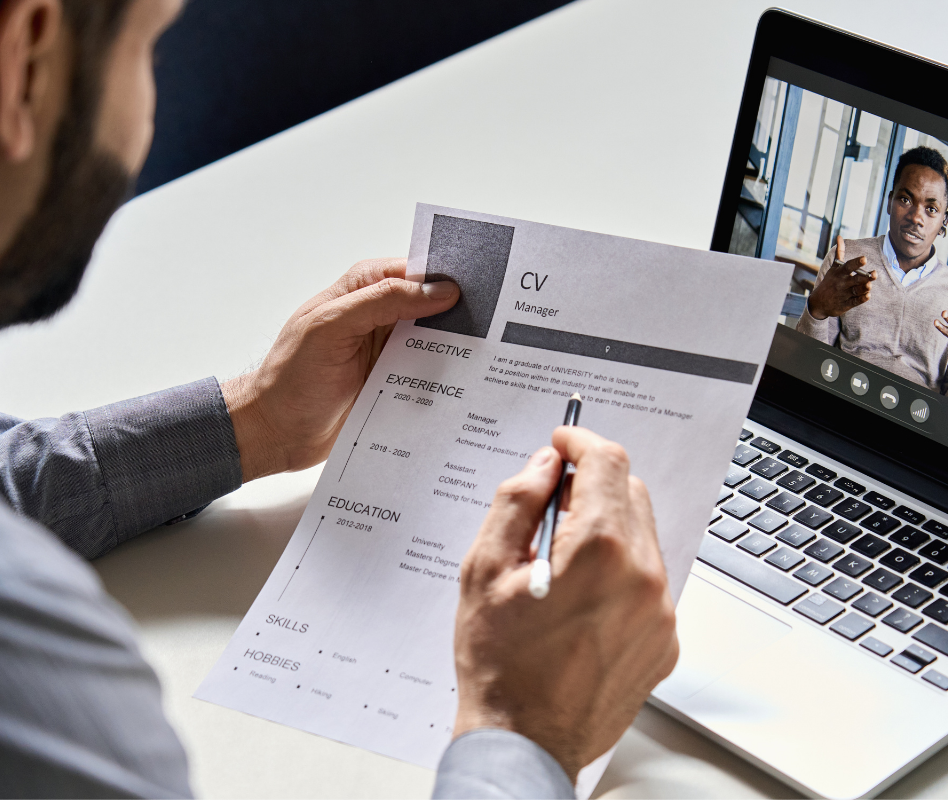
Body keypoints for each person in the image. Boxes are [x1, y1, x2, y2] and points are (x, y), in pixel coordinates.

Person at [0, 1, 679, 797]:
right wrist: (522, 730)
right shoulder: (38, 683)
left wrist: (255, 421)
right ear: (27, 53)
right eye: (149, 50)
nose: (147, 112)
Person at [796, 146, 948, 400]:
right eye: (906, 200)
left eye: (931, 209)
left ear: (944, 221)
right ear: (890, 201)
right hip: (840, 400)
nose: (916, 217)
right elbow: (807, 361)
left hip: (915, 423)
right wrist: (817, 310)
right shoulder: (845, 261)